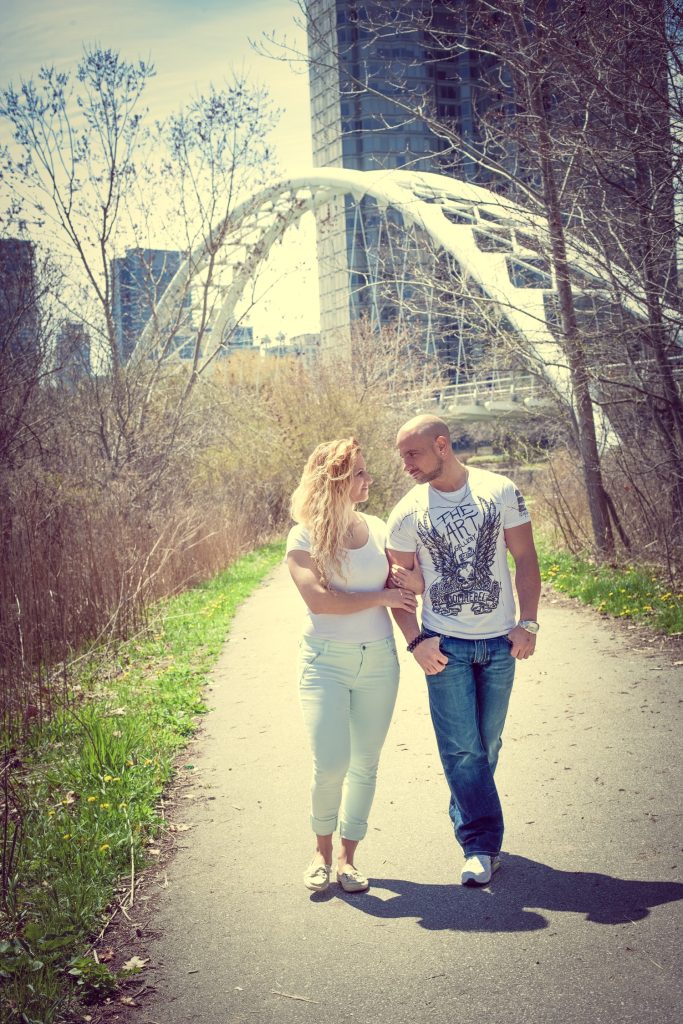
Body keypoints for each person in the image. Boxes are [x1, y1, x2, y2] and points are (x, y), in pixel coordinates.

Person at [386, 414, 541, 887]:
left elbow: (526, 559)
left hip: (499, 643)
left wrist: (528, 623)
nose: (406, 465)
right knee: (462, 750)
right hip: (445, 647)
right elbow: (399, 591)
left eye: (413, 454)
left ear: (441, 445)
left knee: (485, 746)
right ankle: (480, 846)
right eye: (402, 457)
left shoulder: (500, 491)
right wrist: (416, 642)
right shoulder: (407, 513)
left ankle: (467, 810)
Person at [286, 438, 421, 894]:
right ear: (336, 481)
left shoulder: (380, 529)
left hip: (379, 661)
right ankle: (320, 852)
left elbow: (408, 589)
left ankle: (347, 858)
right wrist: (383, 596)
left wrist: (413, 590)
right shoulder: (303, 536)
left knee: (365, 764)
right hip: (324, 661)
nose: (369, 479)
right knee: (331, 763)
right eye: (360, 472)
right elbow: (320, 602)